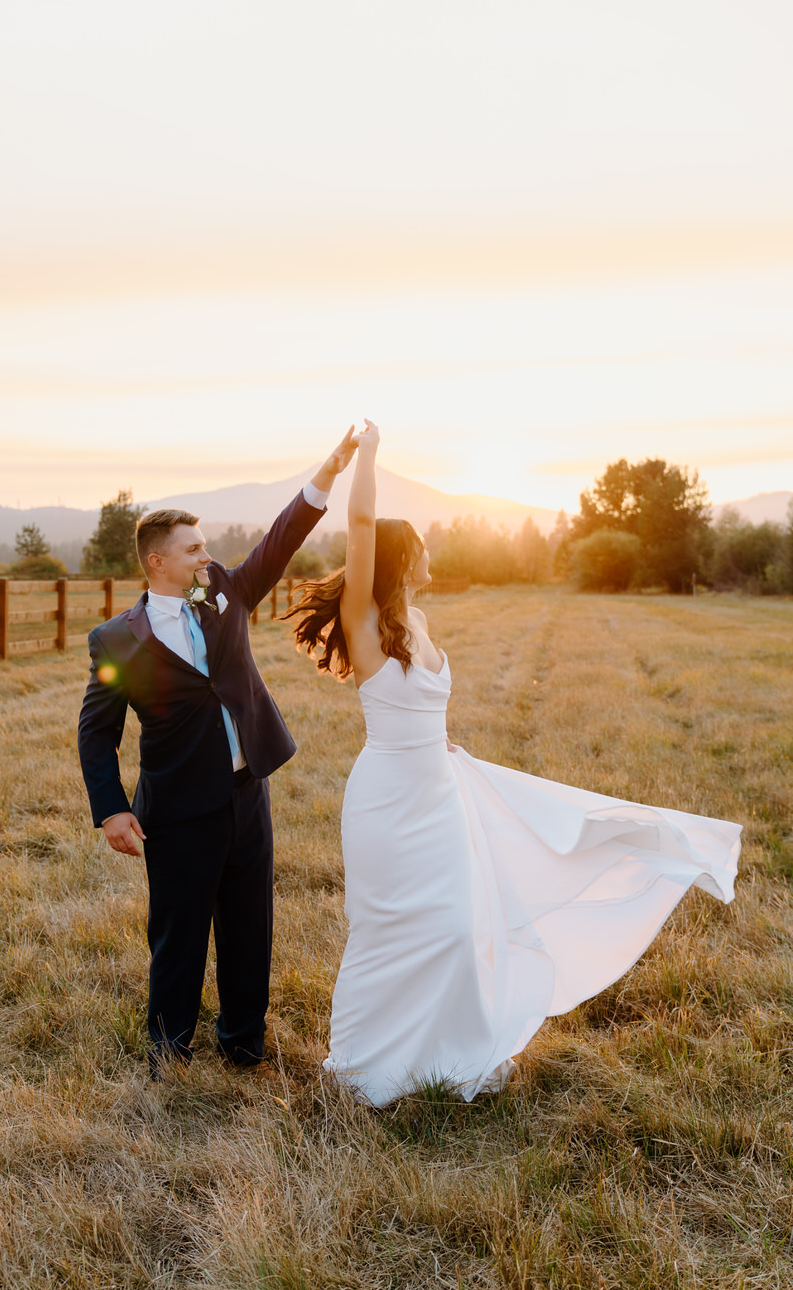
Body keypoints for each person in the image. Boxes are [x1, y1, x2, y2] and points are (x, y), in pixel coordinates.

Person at [284, 421, 742, 1107]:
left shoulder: (419, 624)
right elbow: (358, 522)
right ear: (400, 558)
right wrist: (368, 455)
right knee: (386, 930)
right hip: (386, 800)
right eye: (423, 546)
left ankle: (441, 1056)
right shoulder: (366, 625)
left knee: (454, 925)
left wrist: (441, 744)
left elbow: (422, 709)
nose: (432, 552)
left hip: (437, 790)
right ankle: (361, 1066)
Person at [78, 428, 356, 1077]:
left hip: (246, 793)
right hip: (177, 808)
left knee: (248, 926)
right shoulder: (117, 640)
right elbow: (97, 732)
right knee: (178, 935)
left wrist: (329, 472)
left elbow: (279, 543)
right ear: (157, 562)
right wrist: (111, 809)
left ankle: (243, 1044)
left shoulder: (224, 594)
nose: (209, 555)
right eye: (195, 548)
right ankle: (169, 1052)